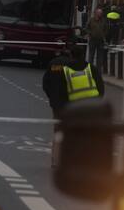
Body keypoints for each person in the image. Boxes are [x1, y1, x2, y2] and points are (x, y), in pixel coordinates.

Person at [43, 36, 105, 165]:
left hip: (59, 105)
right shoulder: (87, 67)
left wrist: (52, 99)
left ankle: (56, 159)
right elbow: (100, 87)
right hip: (82, 105)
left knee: (58, 132)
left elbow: (47, 84)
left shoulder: (56, 64)